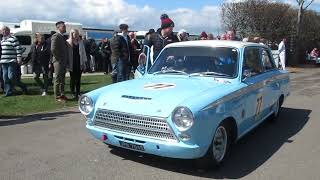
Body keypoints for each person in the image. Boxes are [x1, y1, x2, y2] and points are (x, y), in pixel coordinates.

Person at [0, 26, 27, 96]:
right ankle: (8, 92)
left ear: (8, 31)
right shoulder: (2, 40)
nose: (4, 32)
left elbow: (18, 49)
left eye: (5, 30)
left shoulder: (13, 39)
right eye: (2, 30)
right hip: (3, 61)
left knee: (11, 77)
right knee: (5, 78)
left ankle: (23, 86)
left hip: (11, 61)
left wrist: (19, 58)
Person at [51, 21, 69, 102]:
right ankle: (57, 96)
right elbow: (53, 49)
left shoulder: (62, 36)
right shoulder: (56, 36)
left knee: (62, 79)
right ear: (58, 28)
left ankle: (62, 94)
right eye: (63, 27)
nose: (65, 28)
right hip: (58, 61)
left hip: (63, 61)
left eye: (65, 26)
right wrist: (59, 58)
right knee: (58, 79)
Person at [66, 29, 87, 100]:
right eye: (75, 34)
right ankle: (72, 92)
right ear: (72, 34)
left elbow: (83, 53)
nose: (77, 35)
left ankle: (78, 92)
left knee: (78, 79)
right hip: (72, 63)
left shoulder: (80, 42)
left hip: (79, 62)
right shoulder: (68, 42)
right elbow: (66, 54)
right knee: (72, 79)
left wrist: (84, 63)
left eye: (77, 34)